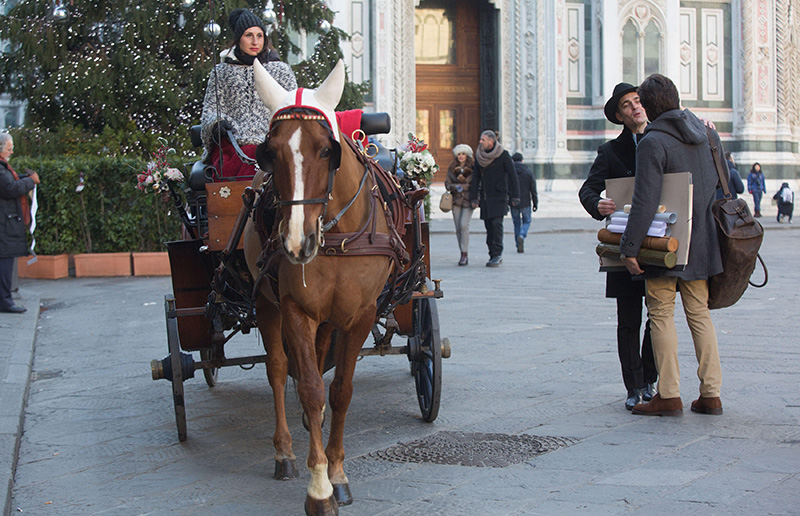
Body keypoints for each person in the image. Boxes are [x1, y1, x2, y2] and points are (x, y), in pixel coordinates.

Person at [619, 74, 724, 417]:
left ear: (647, 107)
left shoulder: (654, 140)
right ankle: (711, 393)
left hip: (668, 244)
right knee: (699, 314)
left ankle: (669, 394)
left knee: (661, 313)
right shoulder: (707, 133)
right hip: (704, 239)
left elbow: (645, 199)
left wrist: (630, 247)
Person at [579, 82, 657, 410]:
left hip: (659, 243)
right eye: (627, 105)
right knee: (628, 319)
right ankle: (633, 385)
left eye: (638, 101)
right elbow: (588, 189)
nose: (634, 108)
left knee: (659, 316)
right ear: (619, 115)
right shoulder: (610, 152)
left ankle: (650, 377)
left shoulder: (663, 140)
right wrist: (598, 204)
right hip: (624, 244)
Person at [200, 8, 297, 179]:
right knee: (238, 166)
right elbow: (210, 111)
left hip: (273, 141)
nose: (255, 41)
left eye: (259, 36)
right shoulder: (222, 72)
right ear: (238, 39)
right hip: (234, 142)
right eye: (248, 35)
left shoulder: (281, 70)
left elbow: (293, 106)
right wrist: (217, 123)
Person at [0, 133, 39, 314]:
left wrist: (25, 178)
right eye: (9, 148)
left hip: (5, 222)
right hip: (4, 225)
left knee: (6, 264)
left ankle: (5, 300)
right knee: (5, 265)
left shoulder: (3, 167)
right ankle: (5, 302)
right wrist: (30, 182)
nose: (12, 151)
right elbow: (10, 188)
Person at [470, 130, 519, 267]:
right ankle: (492, 253)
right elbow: (476, 178)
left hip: (499, 196)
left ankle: (497, 254)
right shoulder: (480, 156)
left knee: (497, 225)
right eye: (481, 139)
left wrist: (515, 196)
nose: (480, 142)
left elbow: (512, 175)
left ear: (491, 141)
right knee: (489, 227)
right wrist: (474, 197)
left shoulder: (503, 155)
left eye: (483, 140)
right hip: (485, 198)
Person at [444, 144, 475, 266]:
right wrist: (455, 187)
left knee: (463, 225)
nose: (461, 156)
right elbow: (447, 183)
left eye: (463, 154)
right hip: (456, 200)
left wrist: (463, 187)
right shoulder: (452, 167)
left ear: (467, 155)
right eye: (459, 154)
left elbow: (475, 183)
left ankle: (464, 253)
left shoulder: (472, 167)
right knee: (457, 228)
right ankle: (461, 252)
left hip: (468, 200)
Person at [510, 152, 538, 253]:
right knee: (527, 221)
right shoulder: (528, 172)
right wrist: (535, 203)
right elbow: (533, 189)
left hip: (513, 202)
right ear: (522, 160)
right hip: (526, 202)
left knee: (516, 223)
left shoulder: (510, 172)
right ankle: (522, 235)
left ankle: (518, 244)